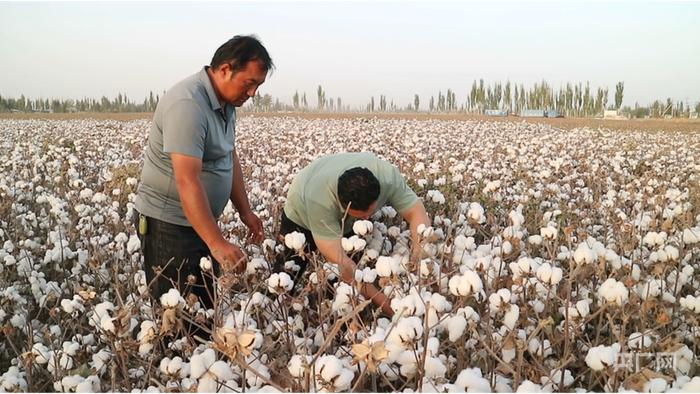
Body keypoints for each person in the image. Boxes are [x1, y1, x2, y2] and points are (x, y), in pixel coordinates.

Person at [133, 35, 273, 318]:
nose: (253, 93)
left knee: (203, 310)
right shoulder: (188, 104)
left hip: (197, 222)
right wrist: (217, 243)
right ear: (224, 69)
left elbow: (227, 156)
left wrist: (245, 212)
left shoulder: (226, 105)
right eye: (250, 83)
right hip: (169, 226)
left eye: (258, 85)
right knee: (180, 317)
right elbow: (187, 180)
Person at [277, 152, 431, 317]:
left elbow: (417, 214)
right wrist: (386, 306)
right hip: (300, 210)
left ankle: (333, 313)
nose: (366, 219)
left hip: (338, 198)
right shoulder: (320, 201)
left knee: (342, 290)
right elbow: (343, 265)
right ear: (342, 205)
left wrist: (417, 258)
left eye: (369, 213)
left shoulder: (387, 177)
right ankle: (279, 314)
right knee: (285, 276)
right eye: (360, 216)